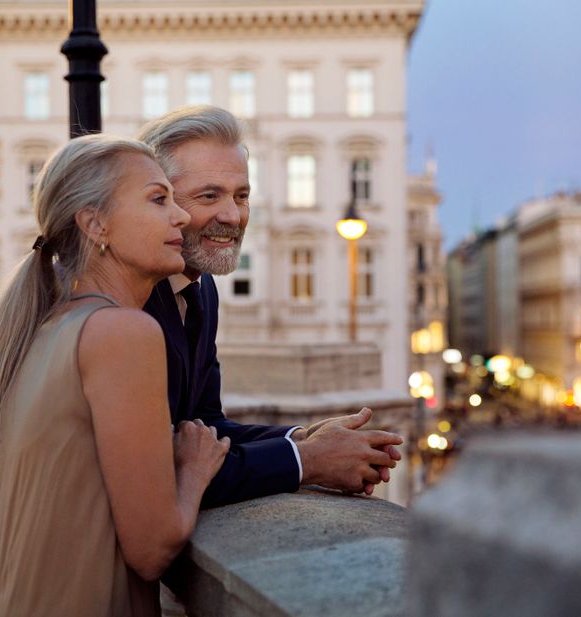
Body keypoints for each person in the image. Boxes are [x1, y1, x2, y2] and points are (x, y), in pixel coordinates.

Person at [0, 135, 229, 617]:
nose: (180, 216)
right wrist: (194, 471)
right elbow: (152, 549)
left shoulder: (44, 326)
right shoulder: (122, 333)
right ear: (95, 224)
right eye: (159, 199)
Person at [138, 106, 403, 507]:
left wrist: (302, 438)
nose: (233, 216)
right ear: (159, 201)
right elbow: (159, 465)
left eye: (241, 196)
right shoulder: (133, 296)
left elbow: (205, 427)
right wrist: (308, 460)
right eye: (209, 195)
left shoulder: (202, 289)